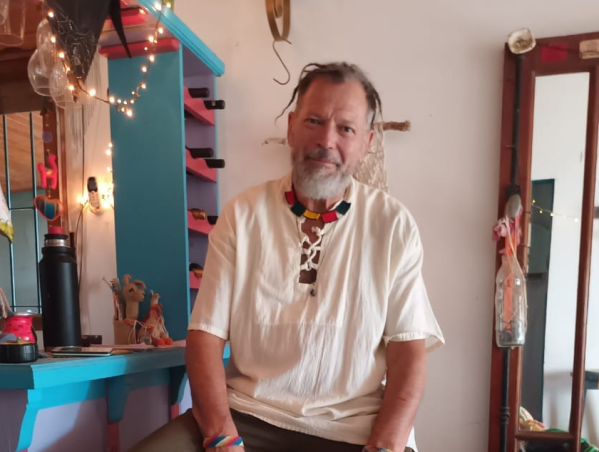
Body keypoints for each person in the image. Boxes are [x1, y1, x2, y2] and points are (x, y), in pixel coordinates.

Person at [127, 62, 444, 452]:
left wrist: (385, 444)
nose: (326, 140)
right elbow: (205, 336)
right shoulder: (243, 215)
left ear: (367, 143)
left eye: (345, 128)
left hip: (353, 427)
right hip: (246, 416)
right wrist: (222, 437)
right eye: (314, 121)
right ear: (292, 127)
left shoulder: (393, 225)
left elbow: (408, 351)